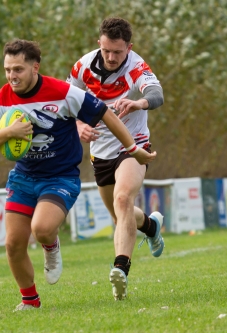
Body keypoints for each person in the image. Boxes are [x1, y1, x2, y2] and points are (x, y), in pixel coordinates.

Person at [0, 39, 156, 311]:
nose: (12, 76)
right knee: (13, 243)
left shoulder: (63, 92)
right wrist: (8, 133)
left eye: (18, 69)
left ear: (35, 67)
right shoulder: (0, 99)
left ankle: (51, 245)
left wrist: (133, 149)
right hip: (23, 178)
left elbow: (106, 114)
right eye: (7, 69)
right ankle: (30, 301)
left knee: (43, 229)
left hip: (60, 177)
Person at [66, 17, 165, 300]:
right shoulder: (82, 67)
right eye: (107, 50)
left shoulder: (136, 66)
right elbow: (63, 104)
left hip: (133, 146)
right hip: (100, 152)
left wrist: (138, 102)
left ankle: (120, 269)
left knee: (123, 200)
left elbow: (157, 95)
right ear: (99, 43)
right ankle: (151, 225)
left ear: (129, 48)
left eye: (118, 52)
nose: (111, 57)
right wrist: (77, 125)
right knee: (120, 214)